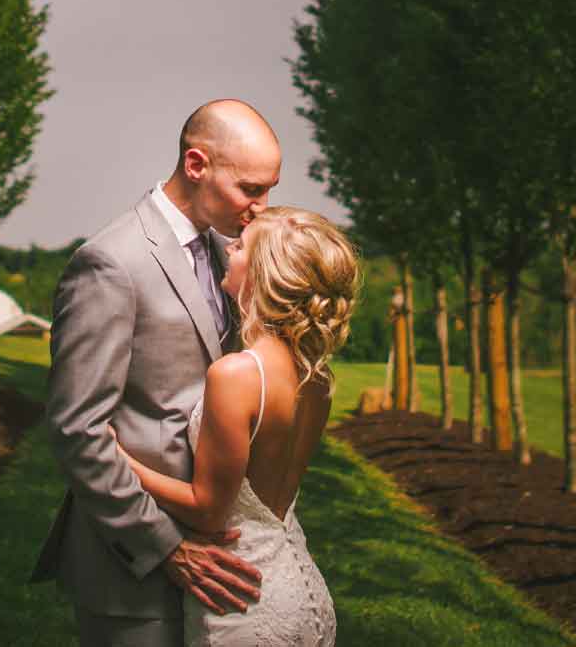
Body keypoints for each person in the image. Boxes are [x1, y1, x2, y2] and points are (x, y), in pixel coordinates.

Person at [32, 99, 284, 646]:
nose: (263, 208)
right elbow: (77, 430)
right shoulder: (109, 263)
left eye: (270, 189)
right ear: (196, 165)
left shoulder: (231, 253)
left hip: (222, 562)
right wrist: (164, 546)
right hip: (132, 576)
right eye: (251, 189)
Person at [115, 207, 358, 647]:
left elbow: (208, 509)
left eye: (242, 245)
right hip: (303, 591)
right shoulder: (317, 382)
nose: (230, 248)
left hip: (242, 597)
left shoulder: (238, 376)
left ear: (264, 271)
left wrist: (122, 460)